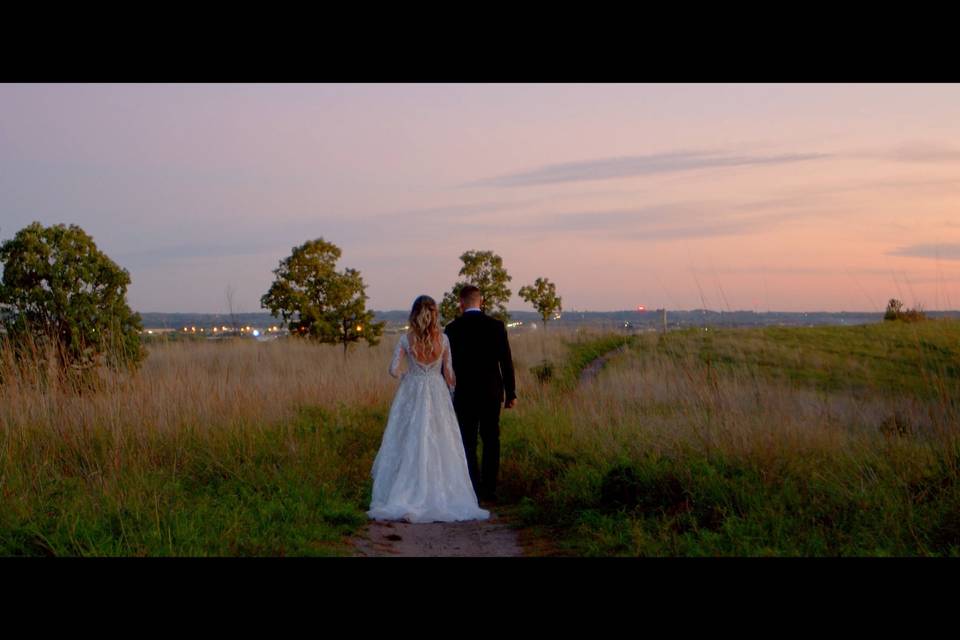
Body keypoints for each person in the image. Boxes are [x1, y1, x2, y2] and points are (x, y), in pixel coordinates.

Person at [367, 295, 490, 523]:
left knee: (407, 439)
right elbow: (450, 374)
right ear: (434, 314)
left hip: (412, 392)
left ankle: (405, 490)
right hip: (436, 391)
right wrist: (450, 392)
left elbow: (393, 369)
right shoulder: (443, 340)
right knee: (440, 439)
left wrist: (407, 376)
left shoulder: (406, 340)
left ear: (414, 314)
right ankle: (439, 490)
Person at [443, 285, 517, 503]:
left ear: (461, 303)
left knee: (467, 441)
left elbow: (447, 366)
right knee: (492, 439)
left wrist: (446, 392)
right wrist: (511, 392)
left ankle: (472, 488)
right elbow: (506, 361)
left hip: (464, 393)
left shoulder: (452, 329)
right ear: (481, 301)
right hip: (491, 392)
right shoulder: (496, 326)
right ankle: (490, 489)